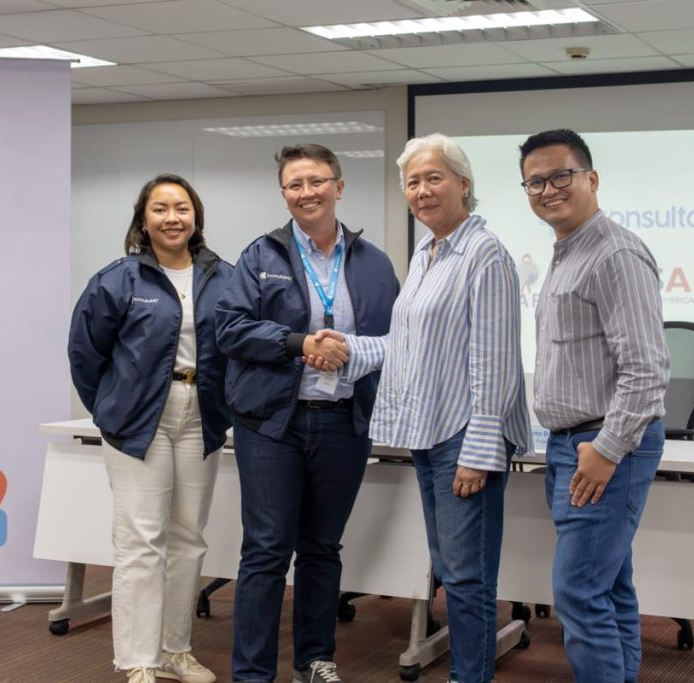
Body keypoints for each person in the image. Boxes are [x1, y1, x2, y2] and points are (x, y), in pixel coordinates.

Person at [318, 133, 531, 683]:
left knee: (467, 579)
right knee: (453, 573)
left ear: (464, 184)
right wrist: (347, 349)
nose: (422, 190)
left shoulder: (485, 255)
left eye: (433, 177)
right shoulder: (428, 252)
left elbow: (496, 360)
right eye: (412, 182)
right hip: (432, 434)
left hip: (466, 437)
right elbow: (407, 346)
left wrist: (480, 452)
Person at [215, 144, 399, 683]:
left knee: (322, 548)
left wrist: (357, 354)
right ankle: (253, 672)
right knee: (267, 550)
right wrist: (298, 343)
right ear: (283, 195)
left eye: (316, 181)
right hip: (273, 426)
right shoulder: (260, 257)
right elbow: (229, 328)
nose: (306, 193)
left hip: (343, 423)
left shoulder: (373, 263)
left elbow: (398, 340)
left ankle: (315, 659)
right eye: (294, 185)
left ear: (339, 187)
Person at [68, 174, 233, 683]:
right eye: (160, 209)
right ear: (143, 219)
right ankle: (139, 660)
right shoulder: (118, 279)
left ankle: (175, 649)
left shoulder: (221, 277)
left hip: (200, 412)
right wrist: (110, 409)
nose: (172, 218)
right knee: (141, 540)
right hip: (139, 420)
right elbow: (84, 352)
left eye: (181, 208)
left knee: (188, 538)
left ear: (196, 216)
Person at [518, 129, 669, 683]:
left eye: (561, 175)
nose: (548, 189)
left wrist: (605, 450)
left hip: (606, 444)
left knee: (579, 593)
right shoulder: (567, 251)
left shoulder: (615, 253)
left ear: (591, 179)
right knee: (608, 587)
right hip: (570, 443)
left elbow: (647, 370)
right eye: (535, 181)